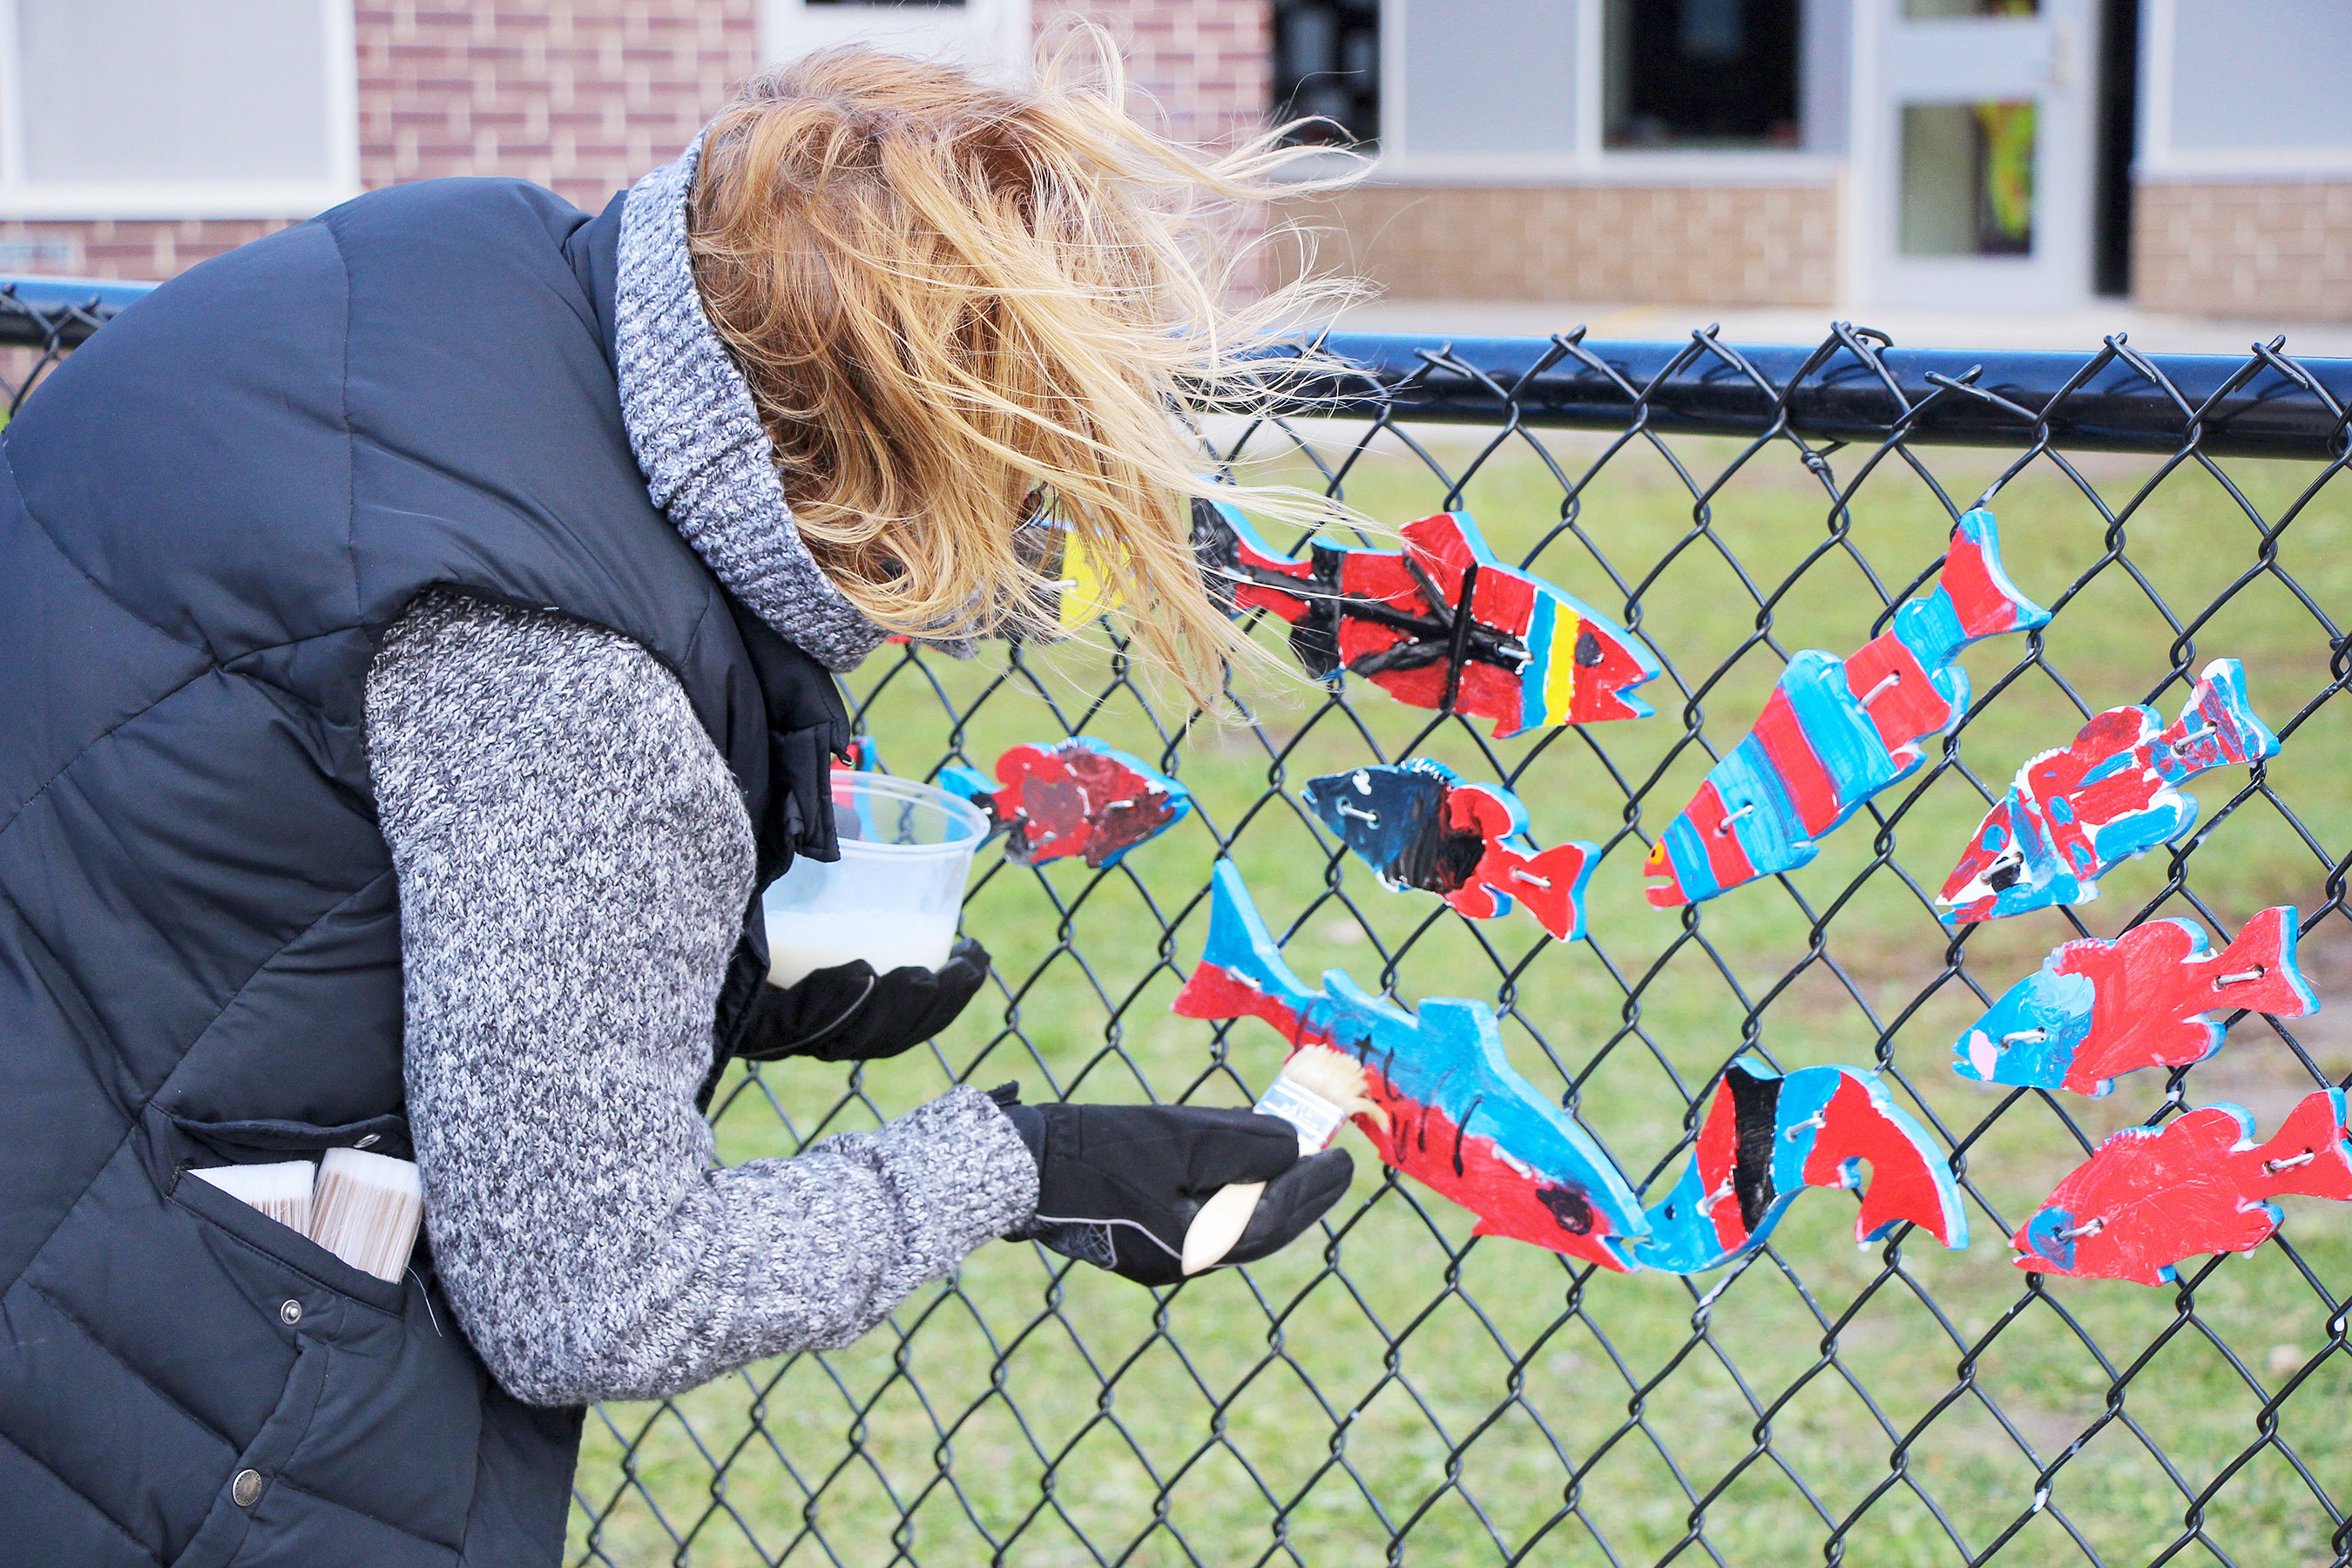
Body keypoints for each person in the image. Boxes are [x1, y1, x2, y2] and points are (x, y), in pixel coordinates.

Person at [0, 38, 1357, 1568]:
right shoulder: (578, 684)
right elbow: (590, 1292)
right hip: (147, 1421)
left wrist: (707, 977)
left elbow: (284, 833)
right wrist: (1025, 1169)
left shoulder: (436, 283)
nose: (1028, 549)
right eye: (1023, 489)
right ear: (886, 459)